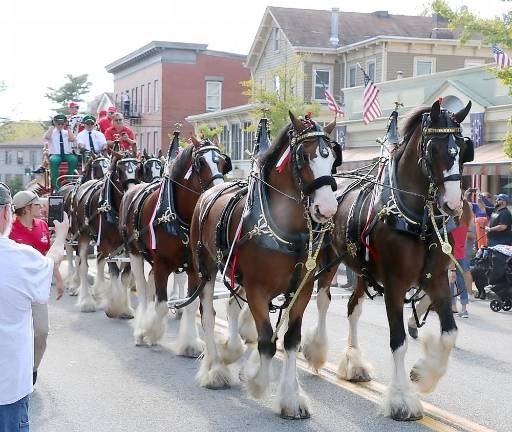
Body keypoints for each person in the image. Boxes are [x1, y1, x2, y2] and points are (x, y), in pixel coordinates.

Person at [0, 182, 69, 432]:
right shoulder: (18, 255)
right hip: (7, 391)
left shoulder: (38, 230)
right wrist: (62, 235)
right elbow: (50, 260)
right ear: (8, 213)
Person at [9, 190, 65, 387]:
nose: (42, 208)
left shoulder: (42, 226)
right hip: (15, 292)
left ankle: (33, 368)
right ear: (25, 209)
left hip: (37, 291)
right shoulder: (9, 230)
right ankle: (15, 371)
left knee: (41, 332)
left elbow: (48, 257)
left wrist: (58, 279)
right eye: (36, 205)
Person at [449, 200, 474, 317]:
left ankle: (454, 306)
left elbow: (453, 245)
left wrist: (452, 268)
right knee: (460, 281)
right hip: (461, 254)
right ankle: (463, 308)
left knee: (452, 281)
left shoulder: (454, 224)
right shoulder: (465, 221)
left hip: (454, 255)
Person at [44, 114, 78, 191]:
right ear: (55, 124)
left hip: (66, 154)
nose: (60, 125)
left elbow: (72, 139)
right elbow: (47, 137)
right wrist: (52, 126)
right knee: (54, 160)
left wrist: (68, 128)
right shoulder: (52, 132)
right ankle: (56, 185)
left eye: (62, 124)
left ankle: (70, 180)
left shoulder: (66, 132)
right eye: (58, 124)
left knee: (73, 159)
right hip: (55, 154)